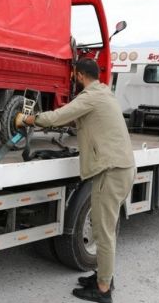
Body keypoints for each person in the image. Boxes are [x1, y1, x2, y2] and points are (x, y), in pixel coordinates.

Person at [16, 58, 135, 303]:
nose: (73, 78)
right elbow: (75, 119)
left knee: (103, 233)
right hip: (120, 168)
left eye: (74, 75)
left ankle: (103, 290)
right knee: (105, 229)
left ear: (79, 75)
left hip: (110, 172)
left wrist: (28, 119)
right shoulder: (104, 93)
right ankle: (103, 277)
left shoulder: (90, 97)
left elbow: (59, 116)